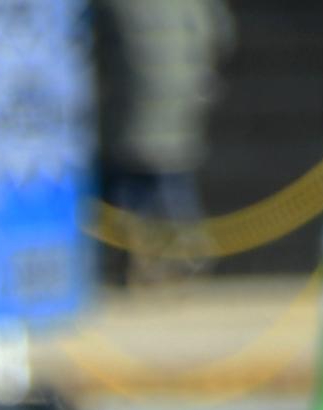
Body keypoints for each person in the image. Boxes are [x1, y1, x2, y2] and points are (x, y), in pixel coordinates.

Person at [96, 0, 234, 279]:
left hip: (131, 102)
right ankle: (185, 252)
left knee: (133, 182)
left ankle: (148, 256)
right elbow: (223, 34)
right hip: (186, 97)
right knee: (172, 176)